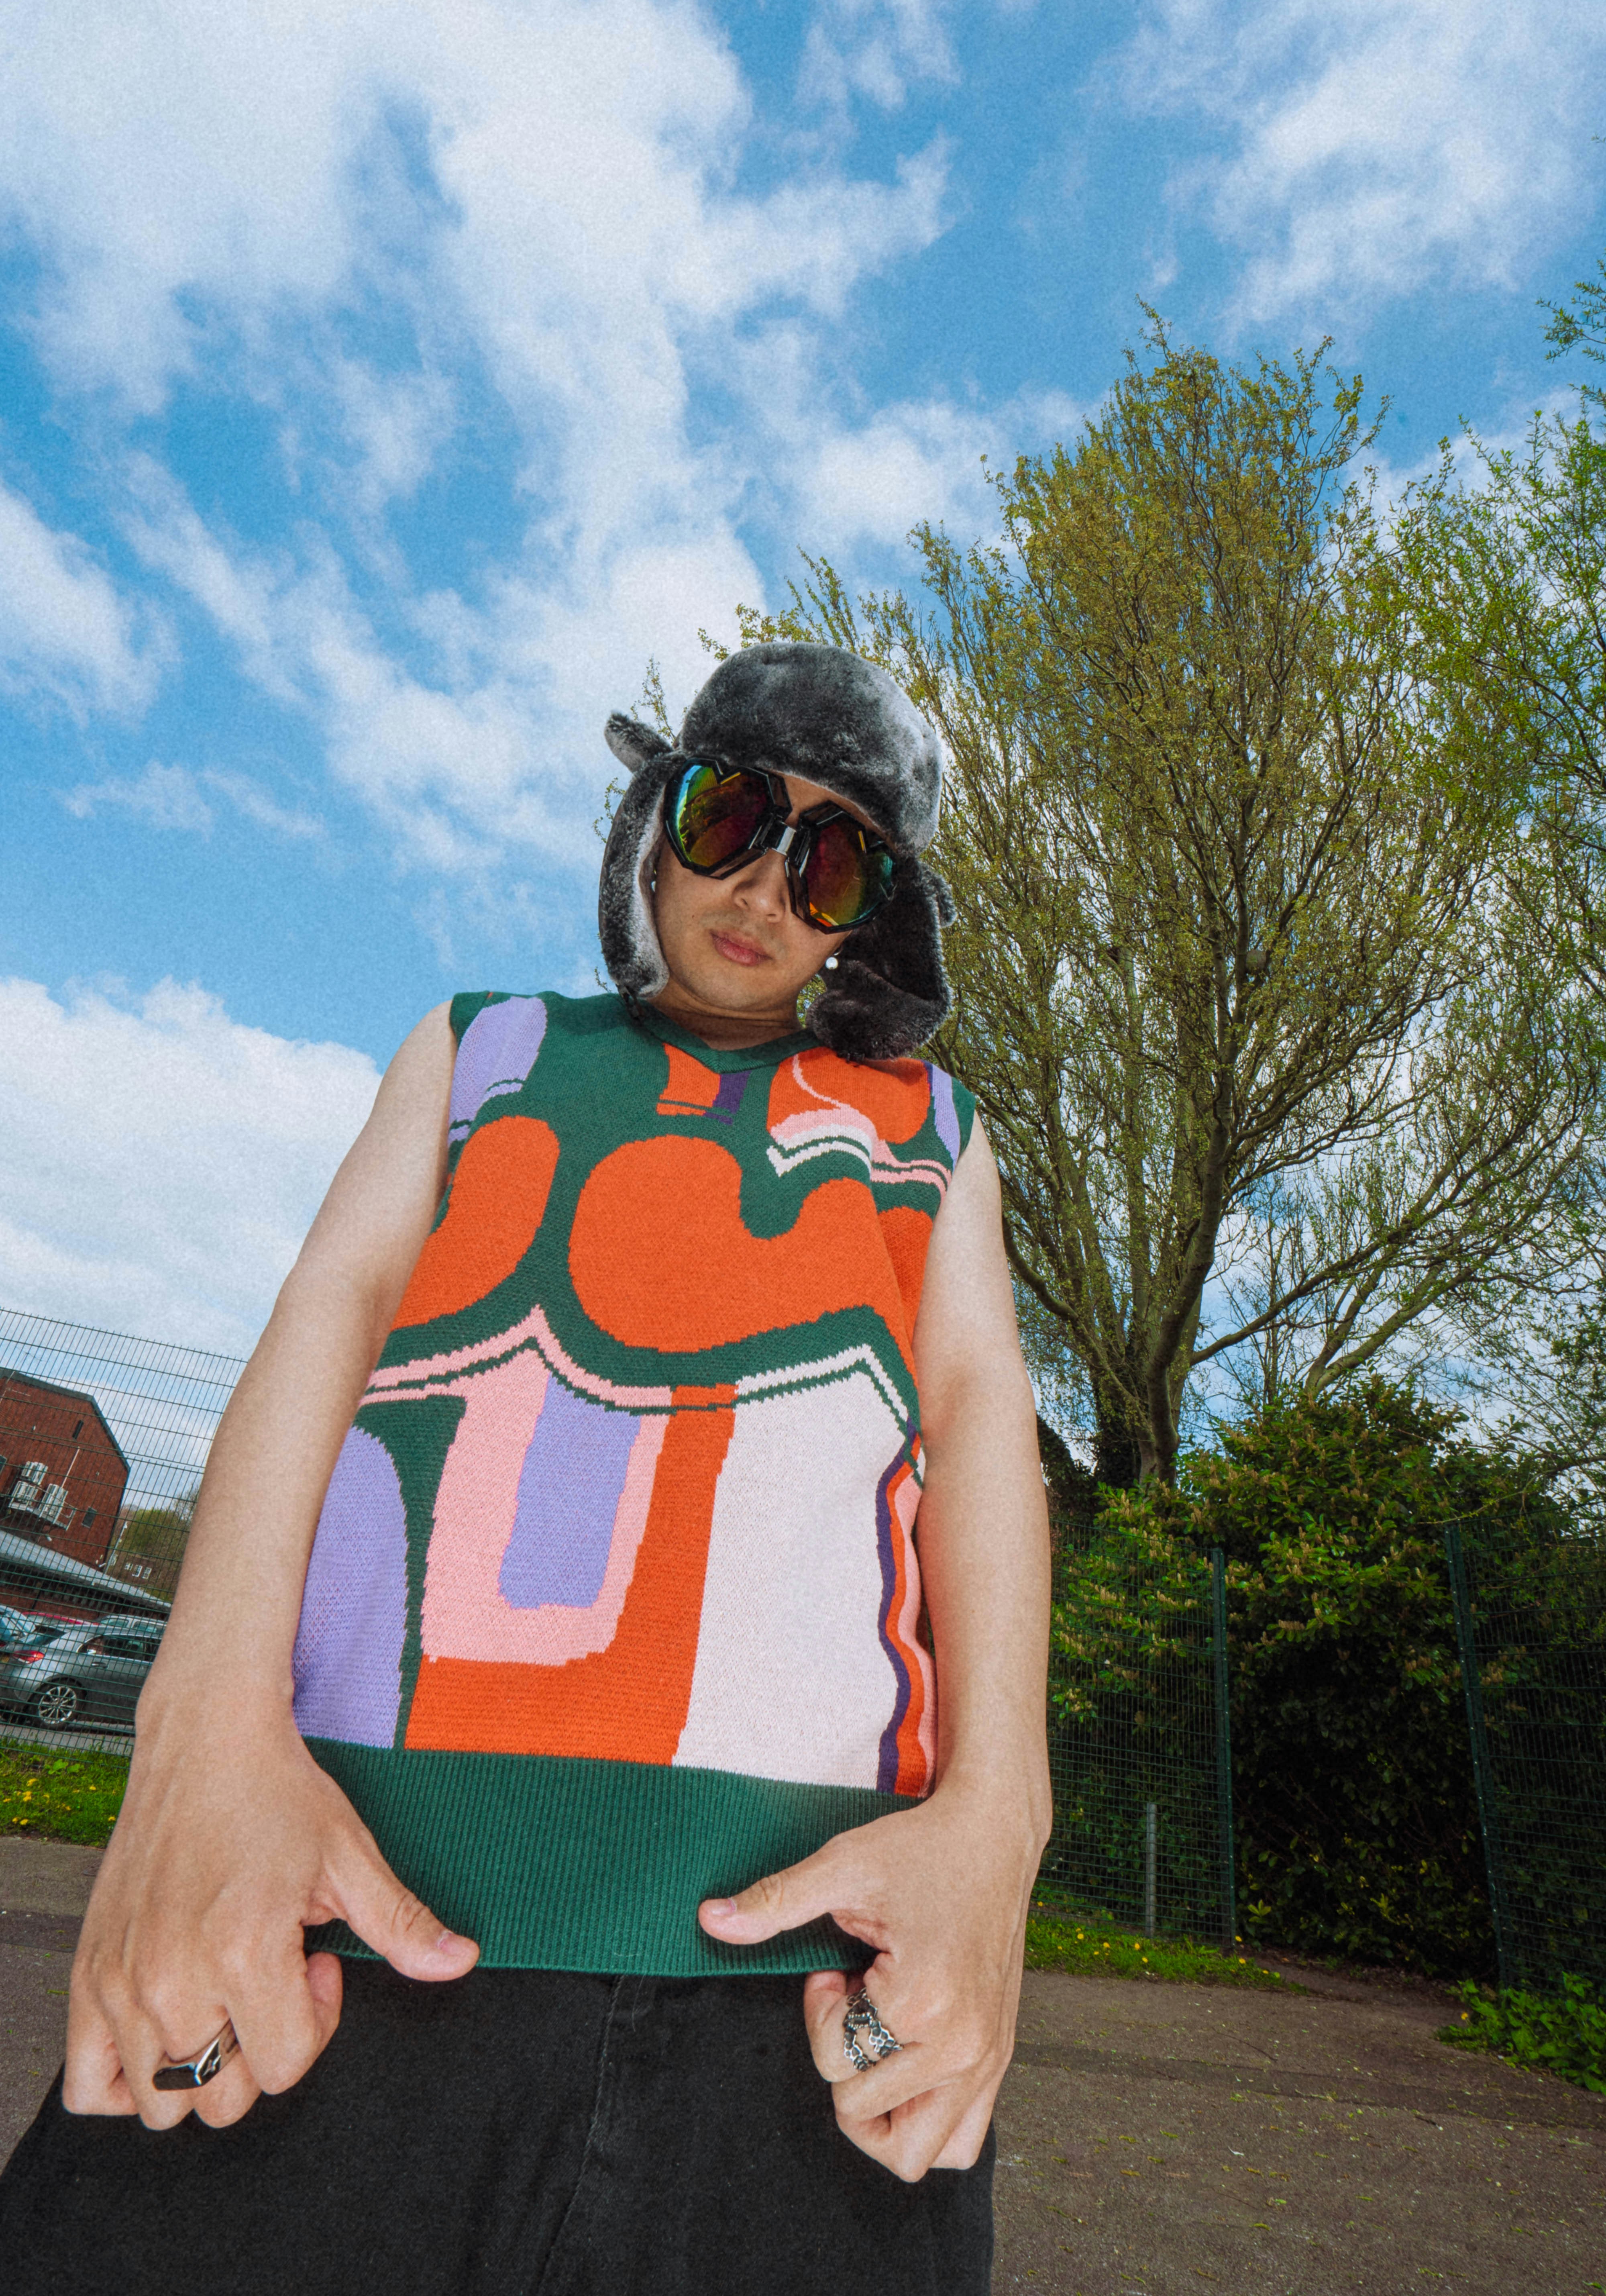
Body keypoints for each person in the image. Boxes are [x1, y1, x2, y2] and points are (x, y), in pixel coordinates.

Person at [0, 641, 1051, 2295]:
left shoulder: (933, 1128)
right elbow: (327, 1312)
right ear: (655, 821)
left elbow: (984, 1416)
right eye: (733, 817)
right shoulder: (477, 1043)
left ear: (870, 918)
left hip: (801, 1981)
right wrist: (197, 1730)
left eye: (833, 861)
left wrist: (1002, 1819)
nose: (765, 885)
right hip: (340, 1909)